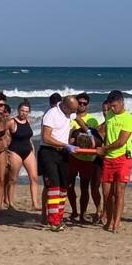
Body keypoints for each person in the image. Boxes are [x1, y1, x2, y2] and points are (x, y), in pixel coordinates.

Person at [97, 90, 132, 233]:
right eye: (110, 106)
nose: (112, 108)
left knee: (119, 192)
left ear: (121, 103)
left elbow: (121, 141)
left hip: (122, 157)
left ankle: (116, 222)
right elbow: (105, 132)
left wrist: (104, 149)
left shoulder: (128, 119)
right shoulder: (109, 115)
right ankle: (108, 219)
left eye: (114, 106)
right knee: (107, 193)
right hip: (108, 158)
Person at [38, 95, 77, 229]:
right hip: (49, 152)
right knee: (54, 186)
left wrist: (86, 130)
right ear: (65, 106)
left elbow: (77, 118)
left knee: (64, 186)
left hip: (63, 153)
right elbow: (46, 137)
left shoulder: (70, 113)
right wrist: (65, 145)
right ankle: (53, 221)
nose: (72, 113)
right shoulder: (51, 114)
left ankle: (58, 218)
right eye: (71, 110)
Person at [66, 92, 103, 224]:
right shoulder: (70, 118)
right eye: (79, 103)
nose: (81, 105)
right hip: (73, 156)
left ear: (87, 105)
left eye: (84, 103)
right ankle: (74, 211)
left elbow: (96, 139)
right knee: (69, 186)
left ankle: (82, 214)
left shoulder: (93, 120)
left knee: (84, 187)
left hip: (87, 158)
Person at [3, 99, 39, 210]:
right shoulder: (12, 122)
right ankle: (10, 203)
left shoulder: (28, 121)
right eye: (22, 111)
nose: (24, 113)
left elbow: (28, 138)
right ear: (18, 110)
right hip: (15, 151)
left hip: (28, 151)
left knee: (34, 177)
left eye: (26, 111)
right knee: (13, 179)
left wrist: (32, 149)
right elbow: (2, 135)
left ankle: (35, 203)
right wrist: (5, 150)